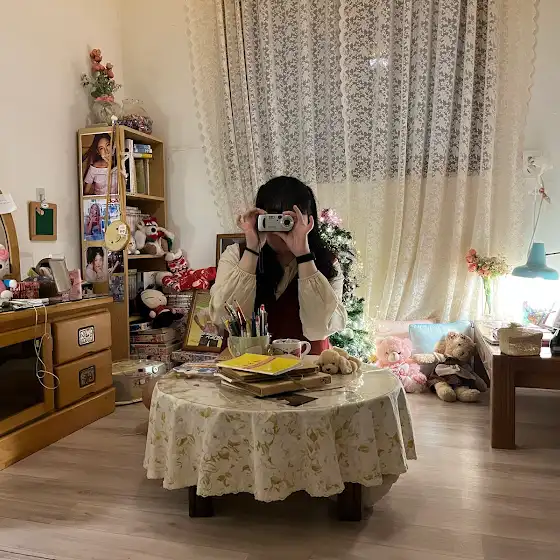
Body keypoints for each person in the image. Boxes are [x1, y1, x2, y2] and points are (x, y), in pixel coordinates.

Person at [209, 176, 347, 354]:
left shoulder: (328, 263)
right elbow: (223, 318)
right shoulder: (237, 255)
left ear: (309, 221)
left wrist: (304, 256)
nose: (282, 228)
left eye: (290, 220)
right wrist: (252, 250)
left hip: (307, 365)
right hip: (246, 366)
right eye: (274, 219)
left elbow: (319, 329)